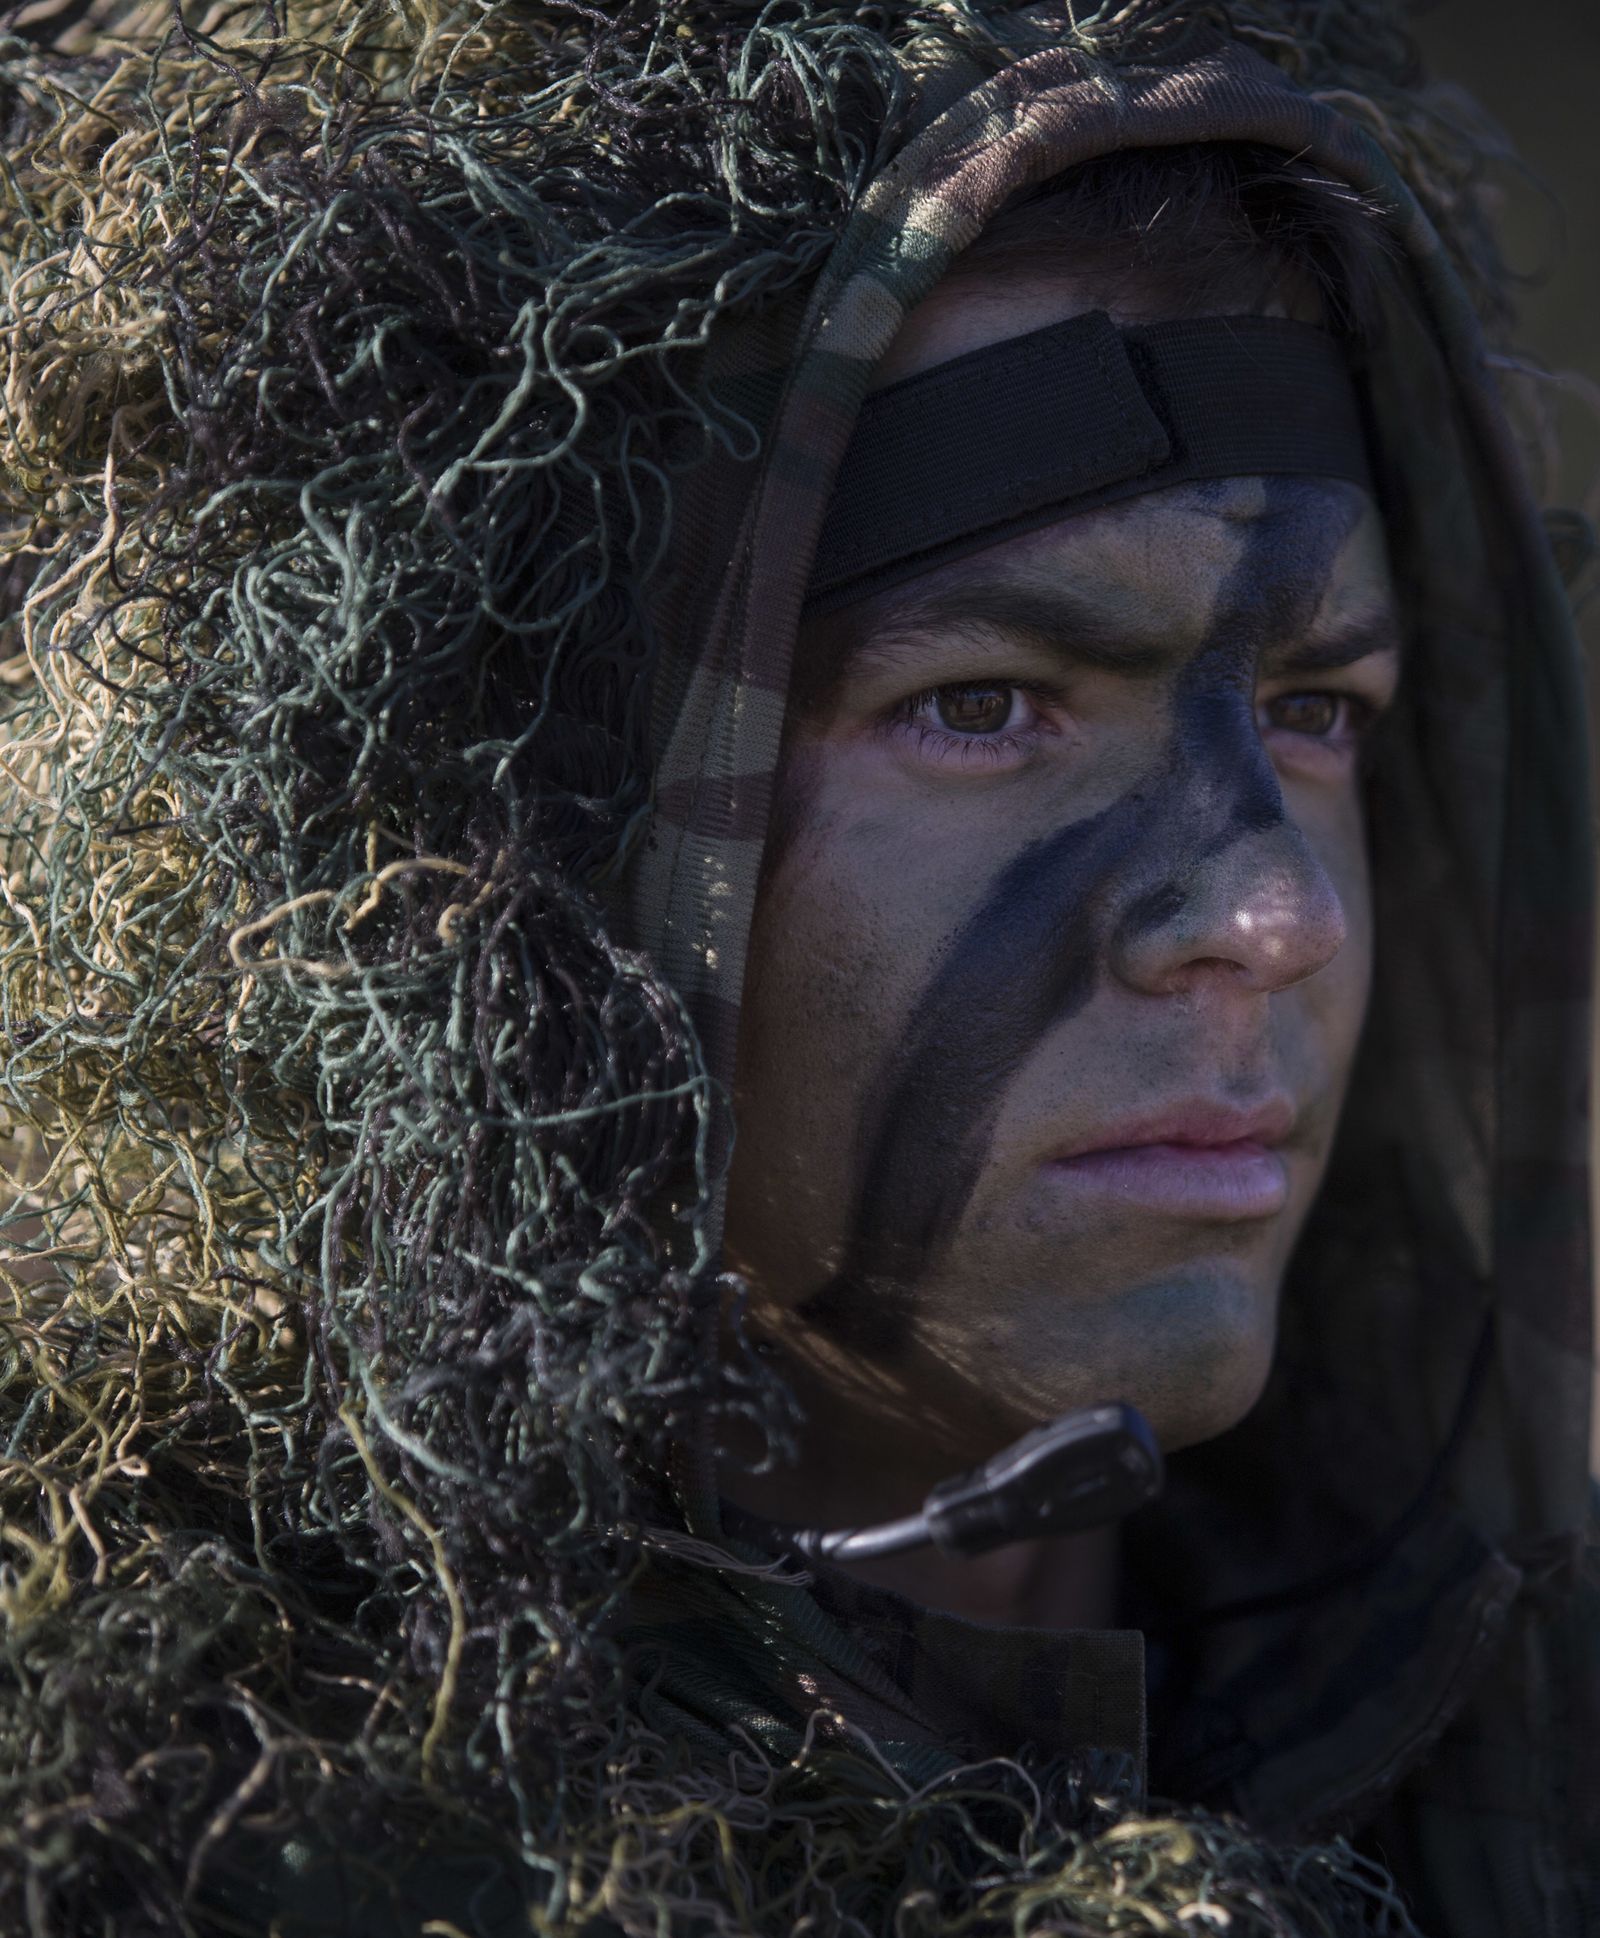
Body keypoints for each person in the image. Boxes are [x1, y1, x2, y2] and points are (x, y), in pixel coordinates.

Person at [0, 3, 1594, 1935]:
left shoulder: (1522, 1771)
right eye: (988, 704)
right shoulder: (171, 1835)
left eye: (1317, 705)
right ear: (519, 849)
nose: (1272, 912)